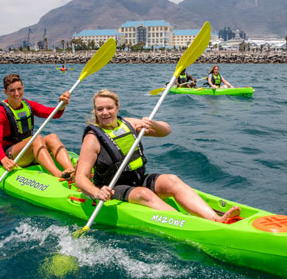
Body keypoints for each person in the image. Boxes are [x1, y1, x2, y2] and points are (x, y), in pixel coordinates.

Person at [74, 89, 240, 222]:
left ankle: (216, 219)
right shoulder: (92, 139)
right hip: (112, 188)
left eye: (109, 108)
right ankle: (188, 223)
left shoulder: (129, 124)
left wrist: (154, 124)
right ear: (95, 111)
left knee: (172, 180)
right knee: (143, 194)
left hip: (137, 178)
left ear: (117, 107)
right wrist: (96, 193)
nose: (105, 113)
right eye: (100, 109)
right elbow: (81, 178)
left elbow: (166, 131)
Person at [0, 74, 75, 178]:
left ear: (23, 88)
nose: (17, 93)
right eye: (12, 90)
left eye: (19, 89)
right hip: (12, 154)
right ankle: (58, 175)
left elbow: (53, 113)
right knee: (36, 139)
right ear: (5, 92)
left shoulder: (27, 105)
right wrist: (3, 159)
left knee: (52, 137)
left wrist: (61, 105)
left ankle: (72, 172)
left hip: (29, 149)